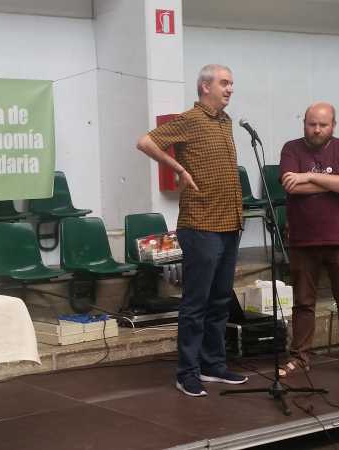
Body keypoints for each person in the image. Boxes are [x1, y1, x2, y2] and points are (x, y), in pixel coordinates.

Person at [136, 64, 248, 397]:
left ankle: (213, 365)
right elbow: (145, 142)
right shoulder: (191, 119)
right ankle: (187, 372)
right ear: (204, 87)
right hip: (201, 225)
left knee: (220, 300)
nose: (230, 89)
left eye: (231, 83)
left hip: (230, 223)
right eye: (224, 83)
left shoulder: (226, 121)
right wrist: (179, 168)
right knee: (196, 303)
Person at [278, 102, 339, 381]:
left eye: (323, 124)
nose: (317, 129)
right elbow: (291, 187)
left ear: (333, 125)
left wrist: (308, 176)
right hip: (303, 240)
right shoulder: (291, 149)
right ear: (304, 124)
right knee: (303, 304)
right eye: (312, 124)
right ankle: (299, 358)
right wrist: (335, 180)